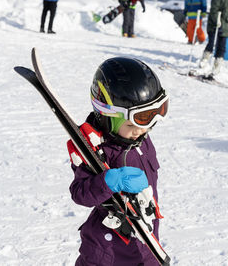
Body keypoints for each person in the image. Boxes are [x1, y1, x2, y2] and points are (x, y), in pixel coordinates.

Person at [69, 57, 168, 265]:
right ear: (108, 116)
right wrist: (109, 181)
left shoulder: (140, 139)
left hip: (145, 244)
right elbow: (80, 193)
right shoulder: (93, 150)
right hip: (106, 252)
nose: (141, 131)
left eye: (149, 123)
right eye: (133, 126)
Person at [199, 0, 228, 75]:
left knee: (221, 47)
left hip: (226, 25)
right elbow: (214, 10)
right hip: (214, 25)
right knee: (211, 43)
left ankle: (217, 66)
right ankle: (204, 61)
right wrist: (217, 22)